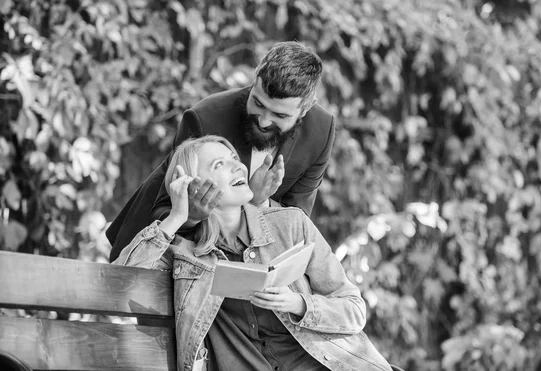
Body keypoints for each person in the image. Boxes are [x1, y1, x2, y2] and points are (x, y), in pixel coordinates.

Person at [113, 136, 392, 371]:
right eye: (219, 164)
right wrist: (176, 216)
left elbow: (354, 310)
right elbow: (120, 283)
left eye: (234, 158)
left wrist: (298, 303)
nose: (237, 166)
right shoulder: (186, 255)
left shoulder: (290, 224)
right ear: (192, 185)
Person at [106, 41, 336, 262]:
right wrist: (193, 215)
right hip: (161, 254)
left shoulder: (321, 132)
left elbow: (296, 221)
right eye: (258, 103)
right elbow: (164, 208)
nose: (264, 121)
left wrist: (258, 202)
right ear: (255, 78)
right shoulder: (206, 118)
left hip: (245, 264)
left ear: (305, 109)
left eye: (280, 116)